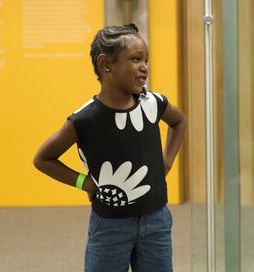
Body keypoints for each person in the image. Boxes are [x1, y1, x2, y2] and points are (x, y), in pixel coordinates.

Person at [34, 24, 186, 272]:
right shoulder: (85, 119)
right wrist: (85, 182)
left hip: (156, 221)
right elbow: (43, 159)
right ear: (106, 64)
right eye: (136, 59)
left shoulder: (153, 103)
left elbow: (179, 122)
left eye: (146, 60)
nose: (144, 67)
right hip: (110, 227)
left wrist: (166, 161)